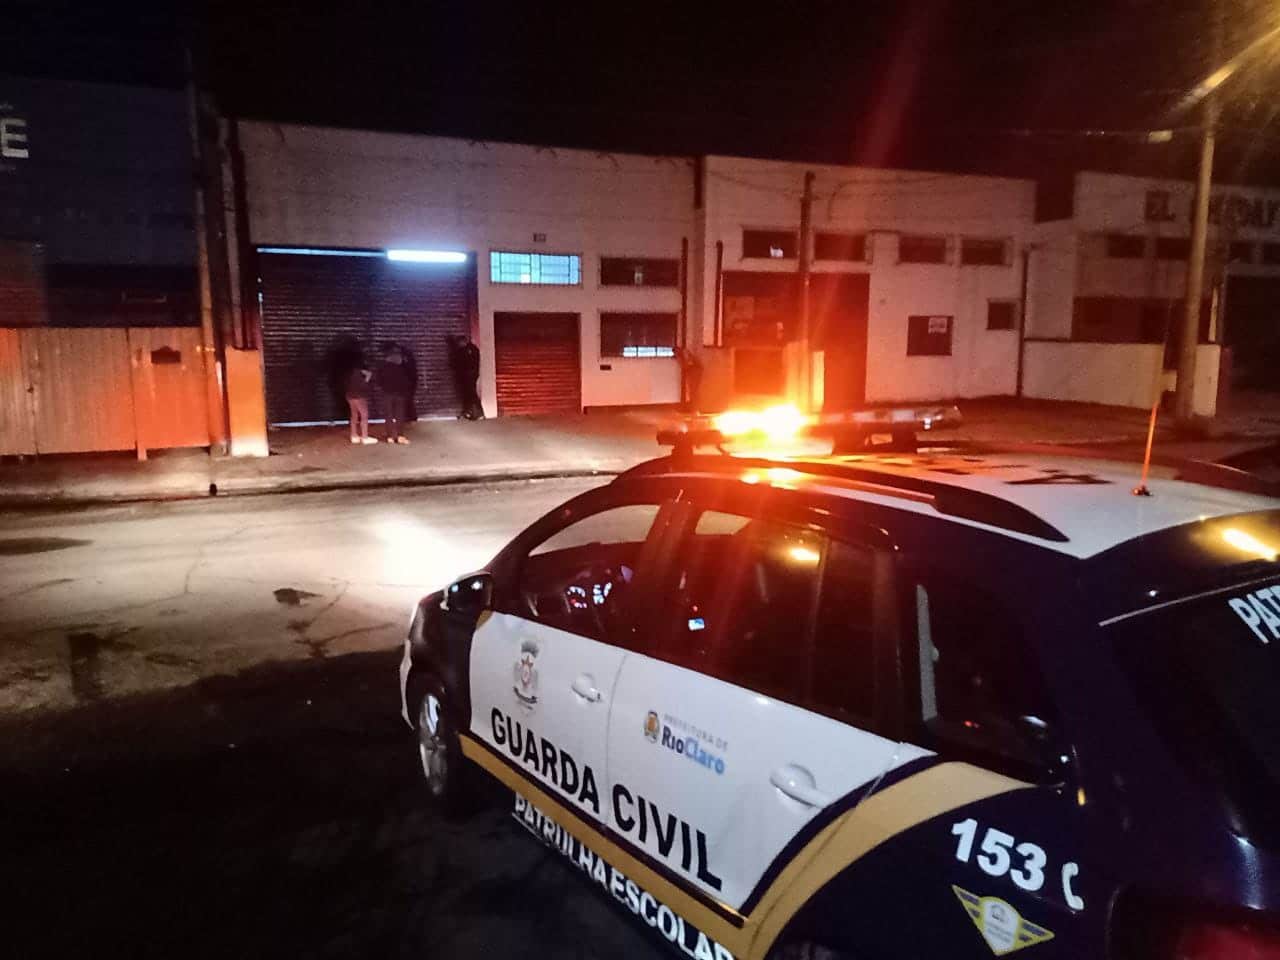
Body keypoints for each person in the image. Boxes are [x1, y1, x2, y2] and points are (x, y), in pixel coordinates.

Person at [377, 344, 415, 444]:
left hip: (387, 393)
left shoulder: (383, 367)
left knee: (388, 415)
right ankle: (400, 436)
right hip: (400, 394)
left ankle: (390, 436)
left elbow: (379, 380)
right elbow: (408, 379)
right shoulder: (402, 367)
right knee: (400, 415)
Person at [448, 334, 484, 420]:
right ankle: (468, 412)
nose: (459, 345)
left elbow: (467, 363)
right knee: (467, 395)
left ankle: (479, 413)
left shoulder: (469, 350)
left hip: (469, 376)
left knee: (472, 394)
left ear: (463, 342)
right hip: (467, 376)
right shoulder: (467, 349)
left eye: (460, 343)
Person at [344, 363, 376, 444]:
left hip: (350, 396)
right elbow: (362, 386)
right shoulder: (360, 374)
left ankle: (354, 436)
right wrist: (368, 377)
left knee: (354, 416)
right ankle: (365, 437)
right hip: (359, 397)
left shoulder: (349, 374)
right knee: (364, 415)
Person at [676, 346, 703, 413]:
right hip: (694, 372)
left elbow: (687, 365)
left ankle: (695, 409)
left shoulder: (685, 355)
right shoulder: (685, 354)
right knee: (693, 392)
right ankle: (694, 409)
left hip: (694, 373)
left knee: (693, 392)